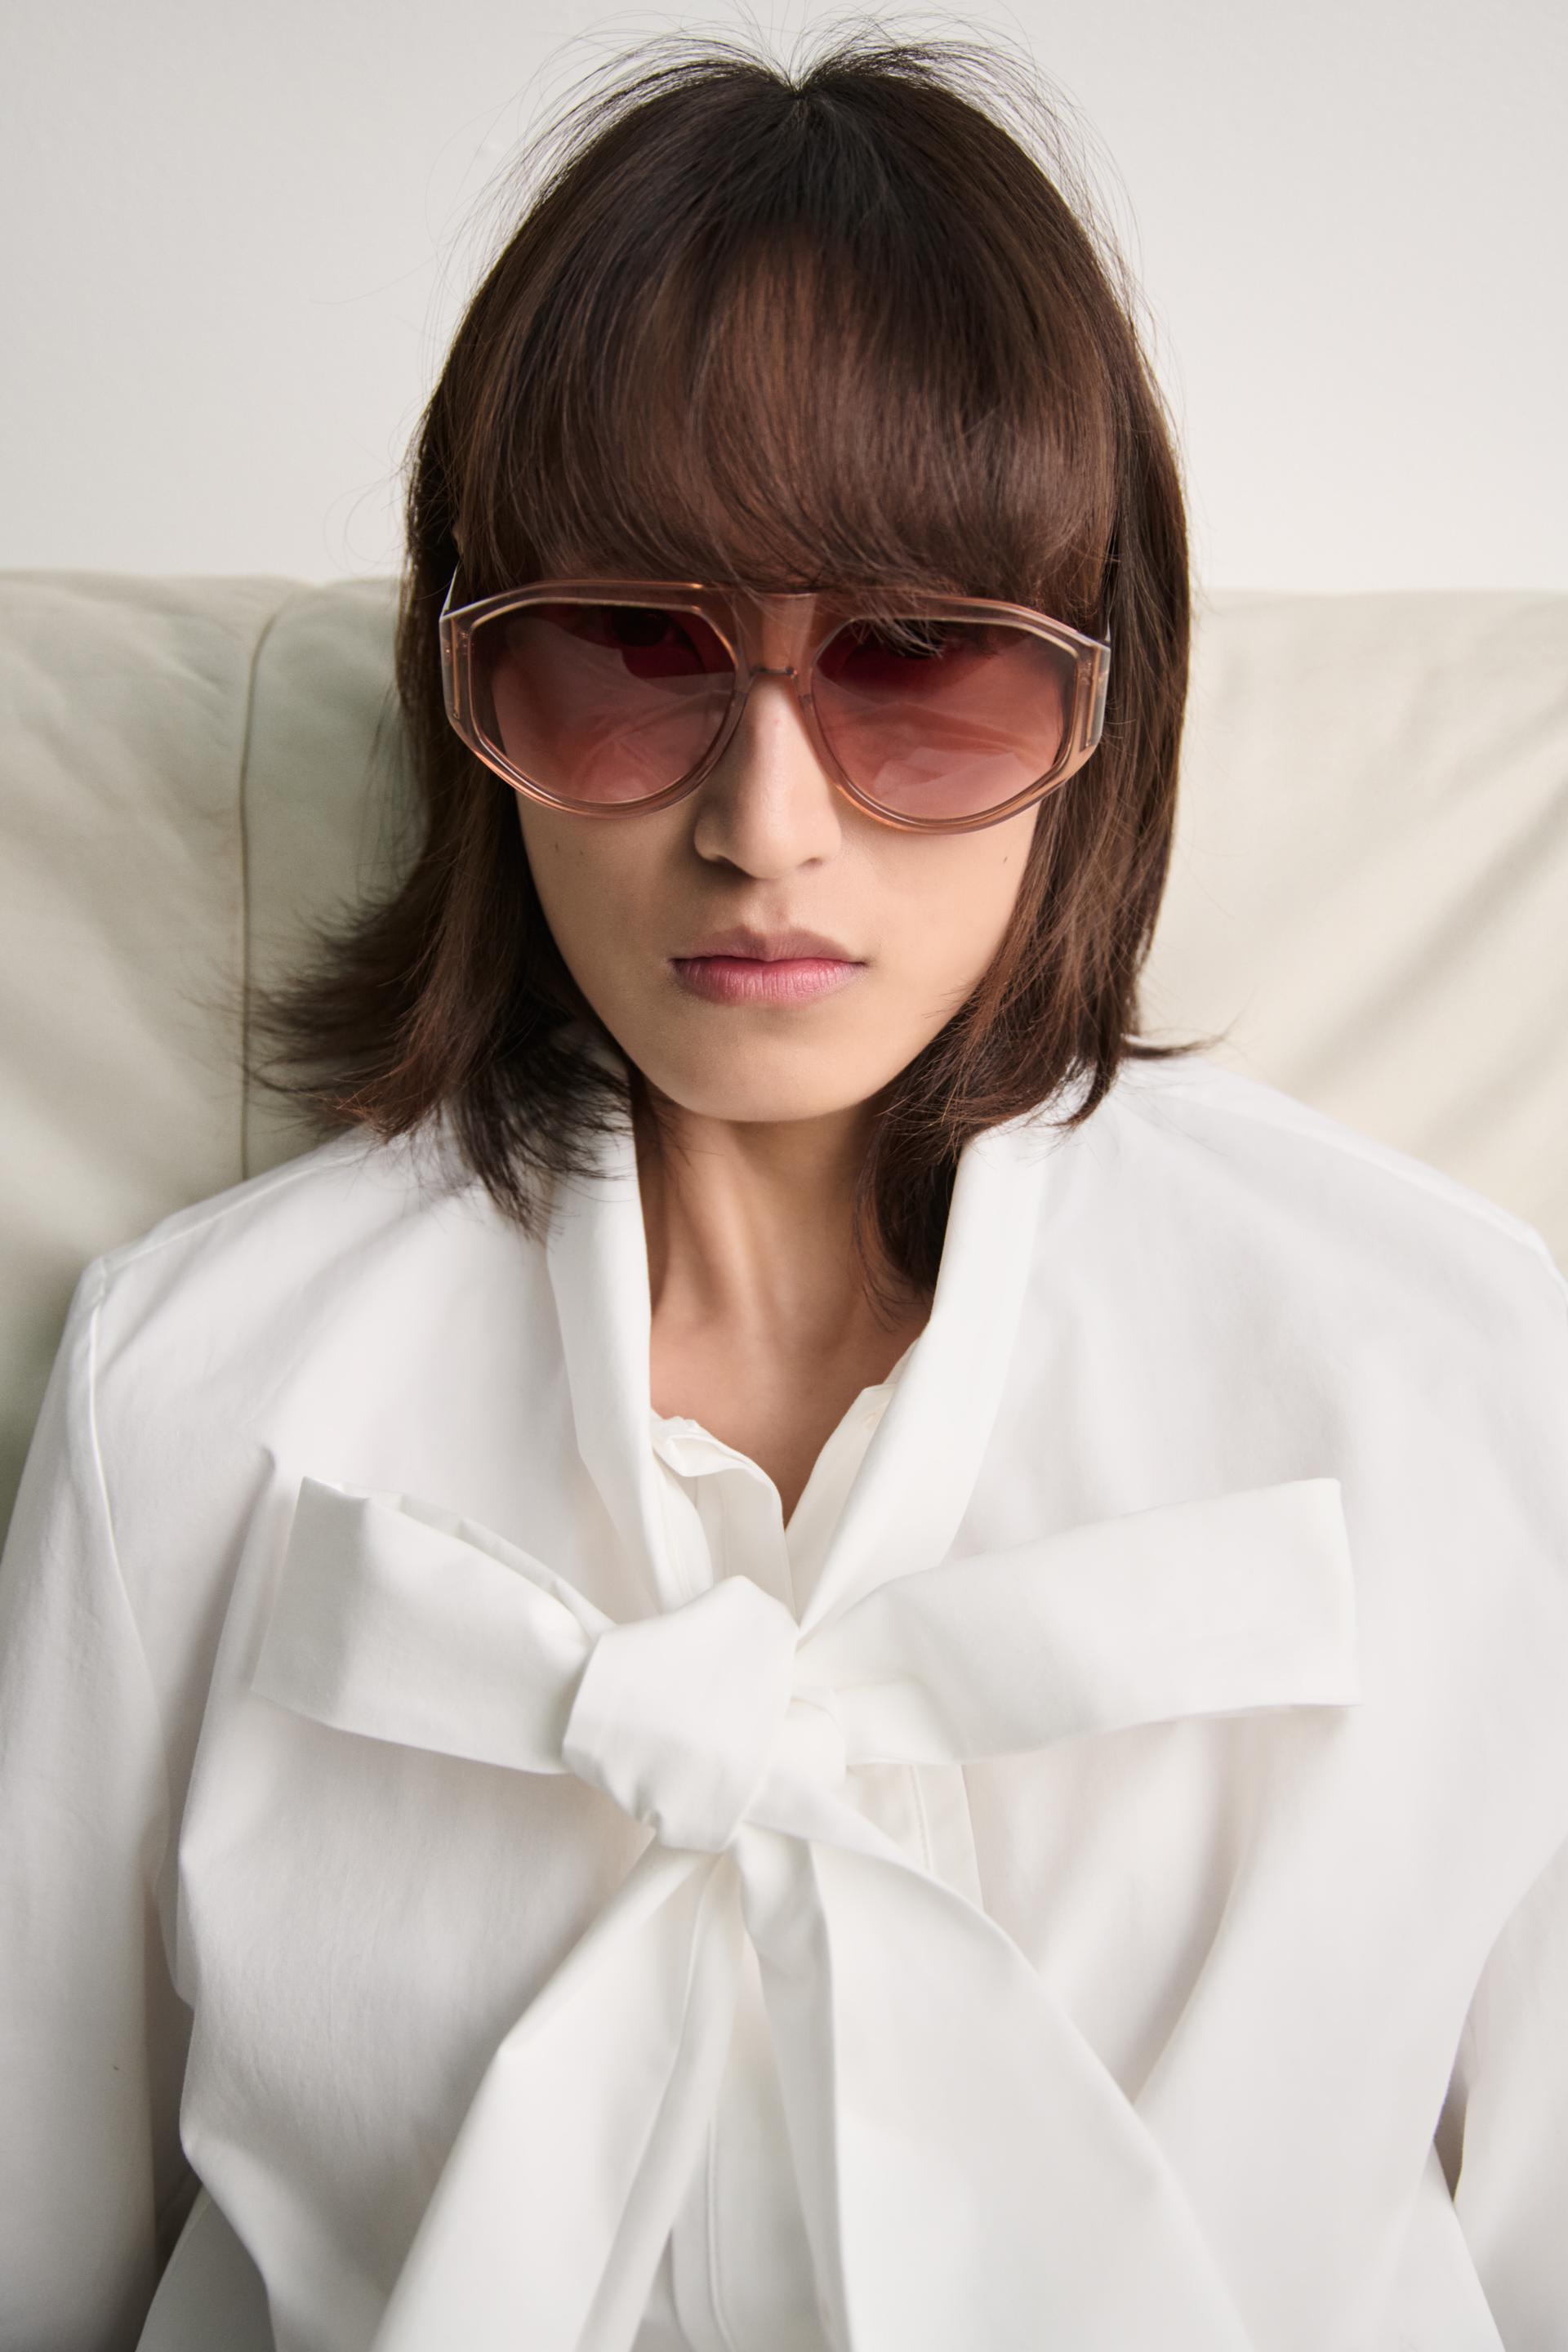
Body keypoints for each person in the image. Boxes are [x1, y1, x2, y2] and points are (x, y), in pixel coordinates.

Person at [2, 29, 1566, 2352]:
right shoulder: (192, 1394)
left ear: (1104, 709)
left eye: (918, 666)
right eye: (634, 655)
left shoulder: (1444, 1371)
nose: (764, 823)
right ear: (470, 688)